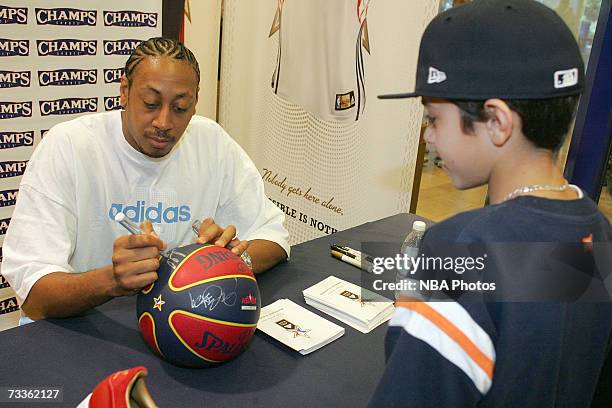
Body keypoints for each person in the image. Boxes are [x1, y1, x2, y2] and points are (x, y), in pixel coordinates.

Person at [371, 1, 611, 407]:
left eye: (434, 119)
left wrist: (417, 310)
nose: (428, 137)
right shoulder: (599, 230)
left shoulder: (460, 249)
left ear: (498, 122)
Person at [1, 37, 289, 321]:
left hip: (182, 322)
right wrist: (112, 281)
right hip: (86, 329)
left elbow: (274, 238)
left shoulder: (211, 142)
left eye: (180, 108)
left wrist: (230, 260)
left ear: (196, 101)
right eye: (150, 103)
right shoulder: (69, 146)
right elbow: (34, 298)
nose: (164, 123)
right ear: (124, 91)